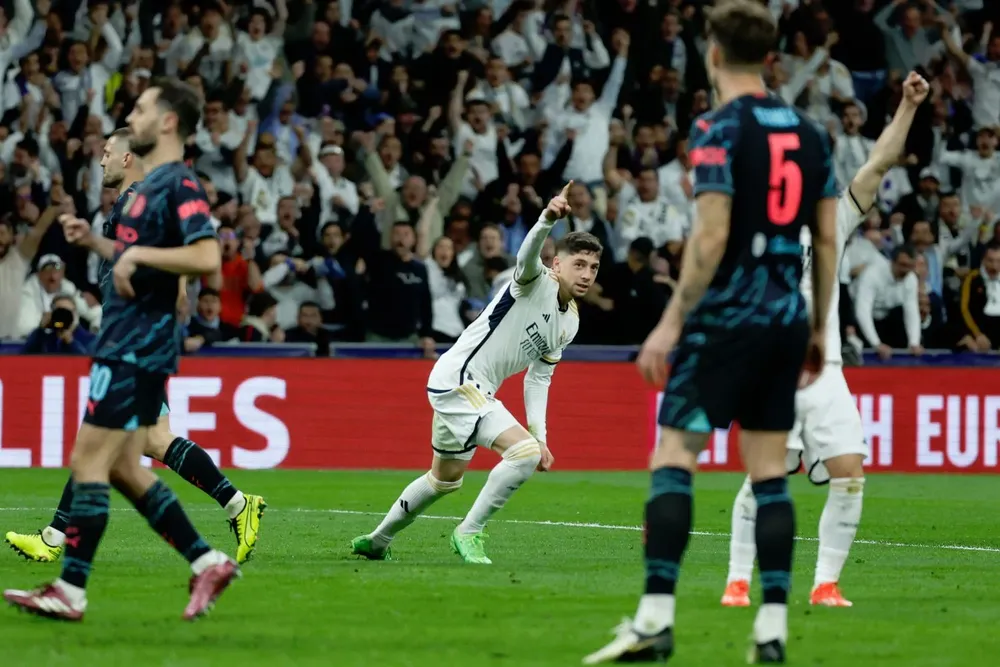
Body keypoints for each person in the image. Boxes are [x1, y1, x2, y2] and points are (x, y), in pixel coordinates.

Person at [584, 2, 840, 663]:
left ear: (714, 54)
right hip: (786, 318)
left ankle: (654, 619)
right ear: (771, 56)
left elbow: (713, 232)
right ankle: (771, 632)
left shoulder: (716, 127)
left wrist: (670, 322)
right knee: (769, 475)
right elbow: (829, 237)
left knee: (674, 457)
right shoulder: (814, 136)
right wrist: (816, 324)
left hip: (727, 317)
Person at [3, 79, 239, 622]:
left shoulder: (179, 183)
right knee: (126, 469)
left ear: (169, 122)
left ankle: (71, 590)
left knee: (89, 459)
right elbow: (136, 257)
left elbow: (206, 258)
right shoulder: (149, 188)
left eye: (141, 107)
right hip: (127, 343)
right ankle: (205, 560)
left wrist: (139, 260)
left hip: (136, 348)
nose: (131, 115)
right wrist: (95, 242)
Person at [722, 72, 931, 610]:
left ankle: (825, 584)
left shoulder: (831, 223)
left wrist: (908, 106)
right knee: (765, 476)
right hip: (773, 373)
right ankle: (738, 582)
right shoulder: (744, 229)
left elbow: (878, 164)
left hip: (828, 370)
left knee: (850, 474)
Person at [350, 182, 602, 564]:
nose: (586, 274)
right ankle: (468, 532)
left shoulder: (570, 323)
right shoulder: (533, 281)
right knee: (522, 454)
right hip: (460, 380)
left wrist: (541, 434)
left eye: (593, 267)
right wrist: (546, 219)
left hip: (474, 390)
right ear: (557, 264)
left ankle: (377, 540)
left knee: (443, 480)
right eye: (578, 264)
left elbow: (539, 378)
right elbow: (528, 252)